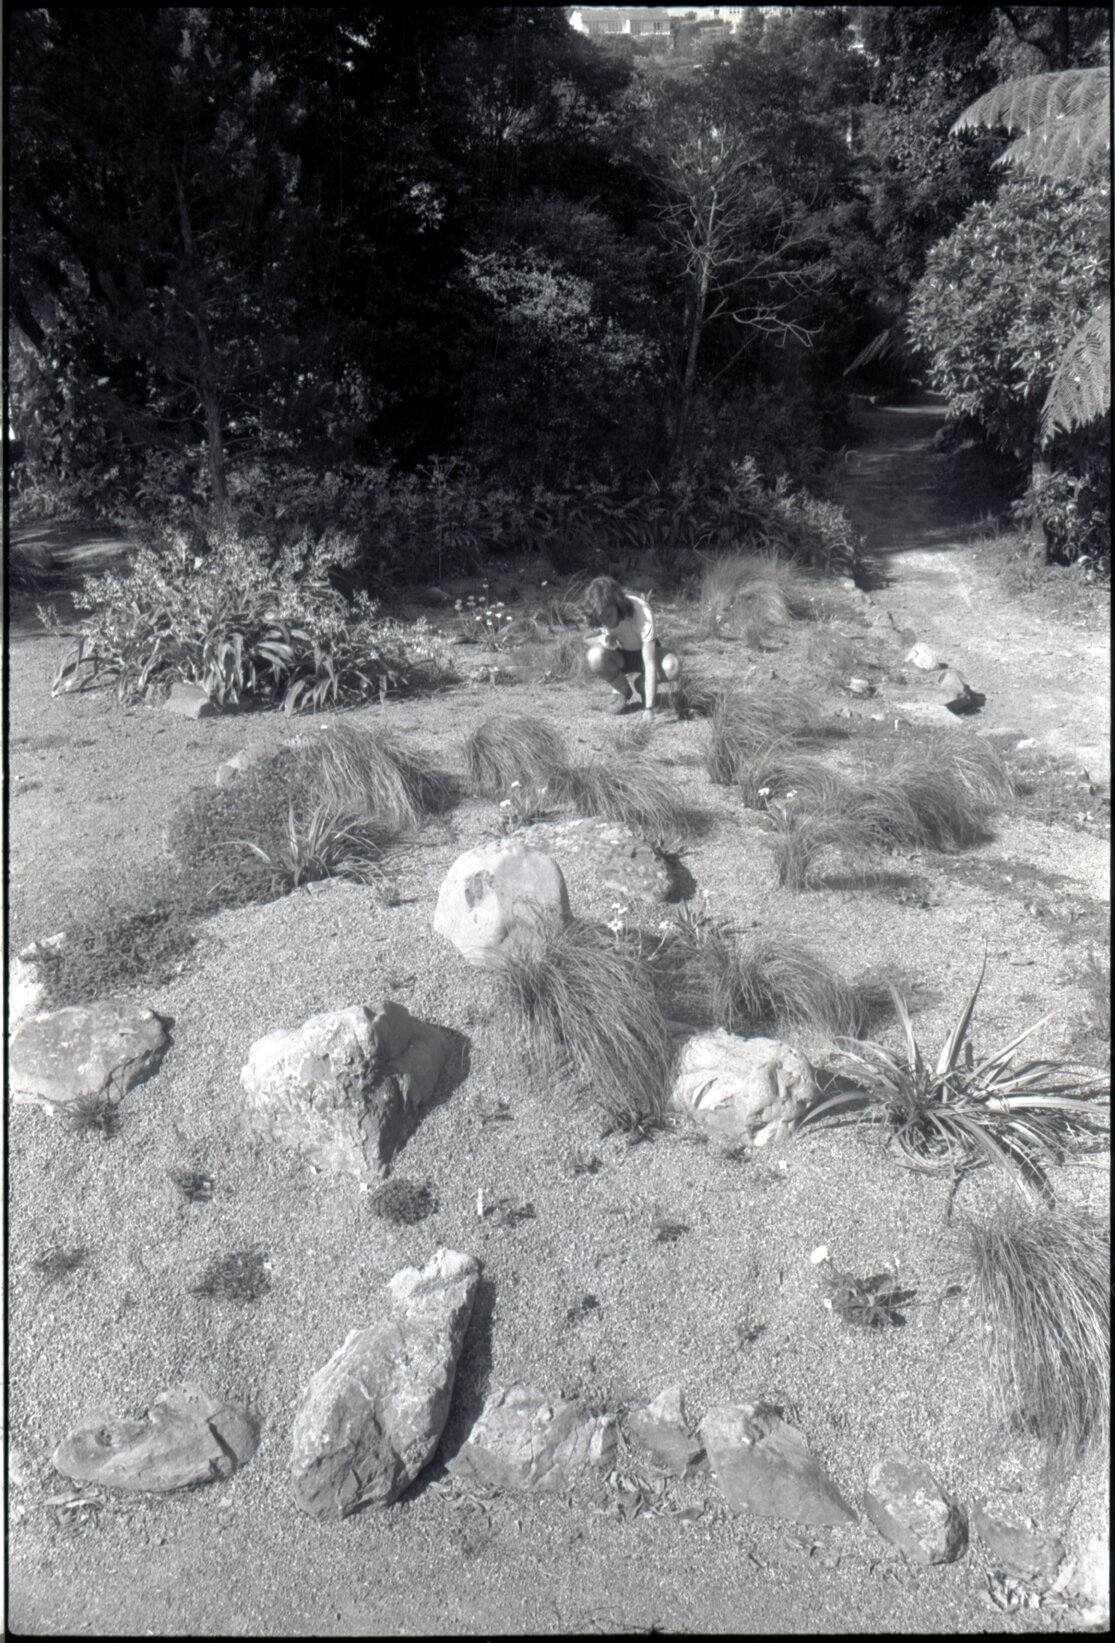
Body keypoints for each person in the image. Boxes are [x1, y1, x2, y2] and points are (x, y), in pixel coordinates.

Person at [581, 575, 680, 715]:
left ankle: (642, 686)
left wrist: (649, 709)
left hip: (644, 653)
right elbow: (586, 638)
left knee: (672, 666)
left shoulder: (641, 611)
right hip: (620, 656)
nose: (605, 622)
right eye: (600, 618)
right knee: (594, 656)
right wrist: (602, 639)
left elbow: (650, 663)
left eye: (608, 615)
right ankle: (622, 691)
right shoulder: (599, 613)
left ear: (617, 605)